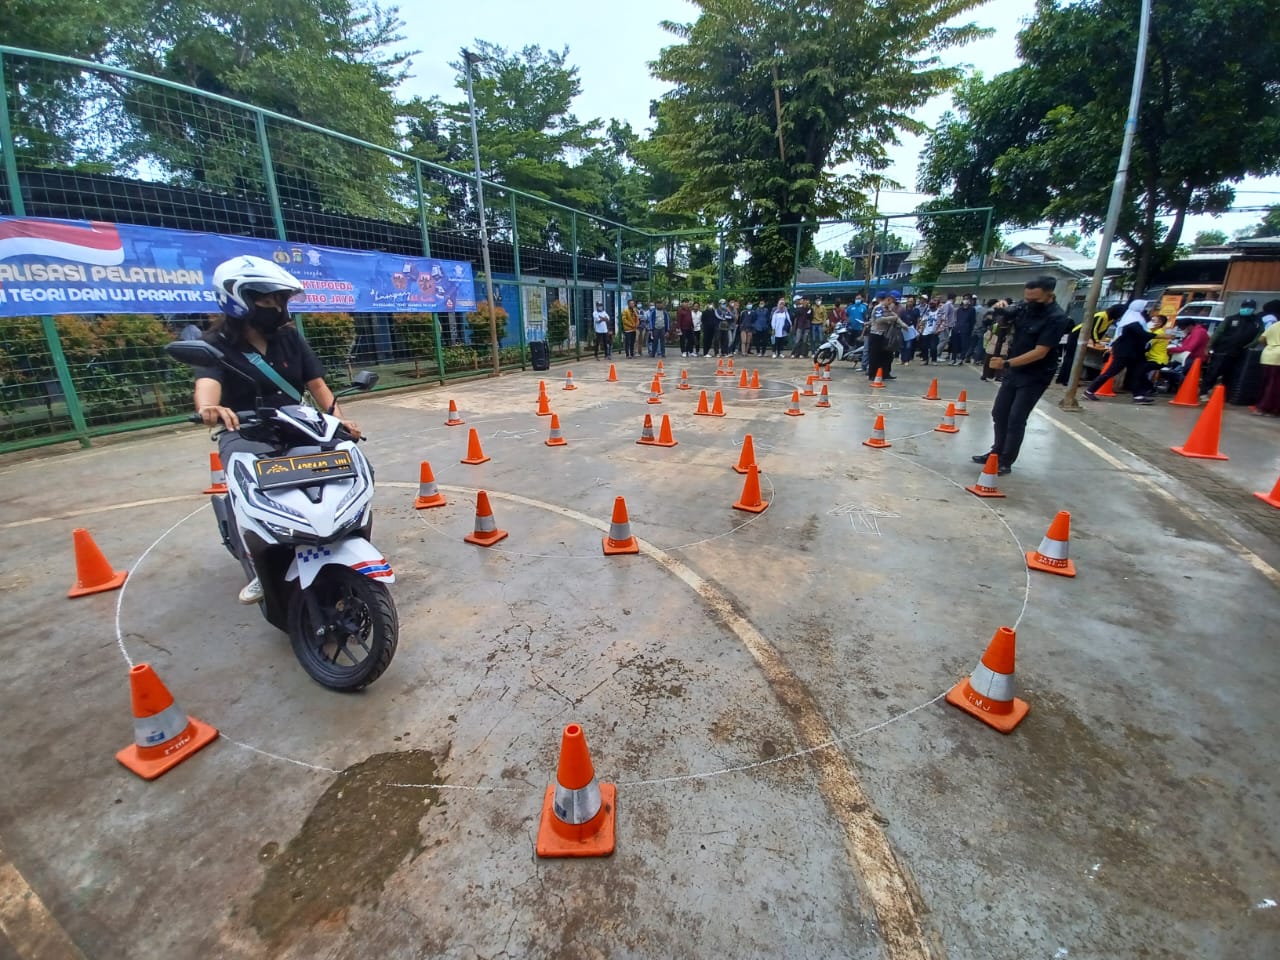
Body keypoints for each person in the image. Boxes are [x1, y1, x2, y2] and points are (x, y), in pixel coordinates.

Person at [191, 255, 360, 604]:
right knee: (247, 491)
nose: (278, 307)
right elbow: (206, 384)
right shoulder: (215, 344)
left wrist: (337, 421)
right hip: (245, 430)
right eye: (268, 299)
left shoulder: (290, 339)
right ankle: (256, 567)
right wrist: (209, 408)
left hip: (295, 423)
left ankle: (340, 539)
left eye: (281, 299)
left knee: (344, 465)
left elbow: (319, 388)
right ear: (238, 299)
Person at [971, 277, 1070, 474]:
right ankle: (996, 453)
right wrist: (1000, 309)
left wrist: (1005, 363)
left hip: (1036, 374)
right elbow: (1001, 319)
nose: (1030, 303)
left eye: (1035, 299)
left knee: (1016, 417)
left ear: (1049, 295)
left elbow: (1040, 352)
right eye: (1027, 298)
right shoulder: (1025, 308)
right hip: (1014, 371)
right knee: (1000, 412)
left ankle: (1006, 460)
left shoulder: (1057, 318)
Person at [1084, 300, 1155, 402]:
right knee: (1111, 372)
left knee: (1136, 372)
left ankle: (1138, 395)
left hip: (1134, 352)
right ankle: (1089, 391)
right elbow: (1143, 334)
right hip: (1124, 352)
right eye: (1145, 307)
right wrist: (1161, 336)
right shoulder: (1132, 320)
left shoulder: (1138, 319)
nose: (1148, 309)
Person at [1202, 298, 1264, 399]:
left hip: (1241, 353)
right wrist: (1209, 346)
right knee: (1214, 372)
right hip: (1223, 350)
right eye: (1244, 307)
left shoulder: (1257, 321)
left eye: (1249, 307)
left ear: (1254, 309)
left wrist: (1250, 345)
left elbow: (1260, 335)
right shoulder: (1231, 319)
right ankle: (1204, 392)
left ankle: (1225, 395)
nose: (1246, 309)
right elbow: (1218, 333)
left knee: (1231, 375)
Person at [1254, 299, 1280, 416]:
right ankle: (1269, 409)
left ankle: (1260, 406)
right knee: (1274, 385)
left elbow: (1261, 338)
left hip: (1267, 355)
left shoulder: (1275, 325)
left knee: (1265, 382)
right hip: (1278, 359)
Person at [951, 296, 975, 366]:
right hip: (957, 329)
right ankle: (953, 359)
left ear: (970, 300)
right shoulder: (959, 309)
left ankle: (961, 359)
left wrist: (970, 330)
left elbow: (972, 321)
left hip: (965, 330)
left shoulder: (972, 310)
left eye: (967, 299)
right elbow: (957, 319)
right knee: (955, 345)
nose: (965, 300)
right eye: (964, 299)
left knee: (964, 345)